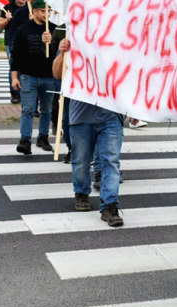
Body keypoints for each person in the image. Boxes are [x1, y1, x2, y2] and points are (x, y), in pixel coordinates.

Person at [52, 42, 125, 226]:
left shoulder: (118, 39)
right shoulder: (76, 39)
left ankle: (110, 204)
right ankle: (82, 193)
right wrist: (62, 53)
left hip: (111, 114)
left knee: (111, 160)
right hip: (81, 115)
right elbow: (57, 74)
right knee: (81, 159)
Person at [10, 0, 63, 155]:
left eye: (49, 11)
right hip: (28, 76)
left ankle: (43, 137)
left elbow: (61, 55)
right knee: (28, 109)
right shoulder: (23, 30)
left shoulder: (55, 29)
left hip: (49, 76)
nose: (47, 14)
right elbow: (16, 55)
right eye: (43, 11)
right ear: (35, 12)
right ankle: (25, 140)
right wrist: (14, 76)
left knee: (46, 109)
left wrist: (52, 42)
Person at [1, 0, 28, 103]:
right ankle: (14, 93)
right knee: (14, 67)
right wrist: (6, 19)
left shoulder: (30, 8)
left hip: (27, 42)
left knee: (25, 67)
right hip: (11, 42)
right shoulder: (8, 8)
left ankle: (24, 93)